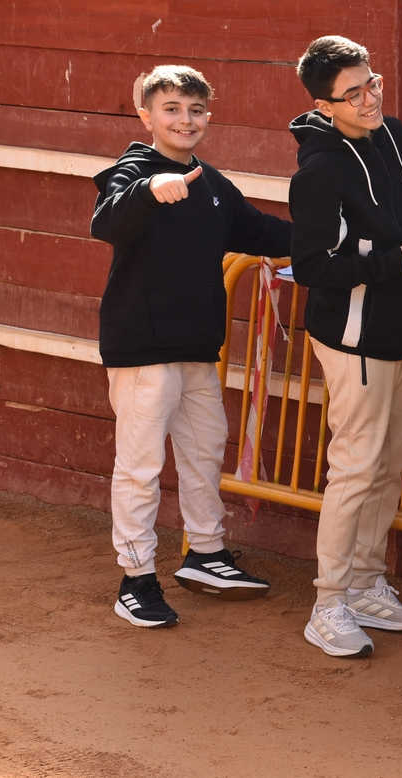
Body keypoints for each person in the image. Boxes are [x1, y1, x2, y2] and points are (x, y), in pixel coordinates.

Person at [91, 65, 292, 628]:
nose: (186, 120)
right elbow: (107, 221)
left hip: (198, 347)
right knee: (141, 467)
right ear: (147, 117)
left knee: (204, 455)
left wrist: (339, 237)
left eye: (196, 110)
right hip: (143, 348)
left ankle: (205, 554)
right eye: (172, 109)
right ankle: (135, 580)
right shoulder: (133, 170)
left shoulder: (212, 184)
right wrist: (149, 191)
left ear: (208, 116)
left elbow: (266, 233)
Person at [289, 36, 402, 658]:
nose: (369, 99)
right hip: (352, 339)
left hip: (394, 331)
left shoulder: (389, 132)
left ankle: (365, 584)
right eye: (353, 94)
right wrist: (394, 263)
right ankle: (328, 603)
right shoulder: (318, 172)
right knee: (356, 467)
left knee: (390, 461)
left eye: (373, 83)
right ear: (323, 104)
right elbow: (311, 265)